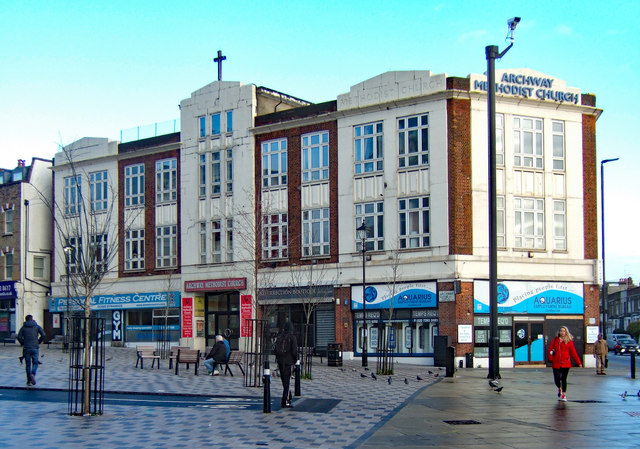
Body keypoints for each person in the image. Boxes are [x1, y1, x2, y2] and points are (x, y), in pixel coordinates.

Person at [548, 326, 582, 401]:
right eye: (561, 331)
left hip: (565, 363)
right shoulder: (555, 340)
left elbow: (573, 353)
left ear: (566, 332)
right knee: (557, 379)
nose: (562, 332)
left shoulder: (569, 341)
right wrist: (551, 358)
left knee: (563, 379)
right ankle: (559, 388)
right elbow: (550, 350)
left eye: (564, 331)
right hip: (556, 362)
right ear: (559, 332)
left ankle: (564, 394)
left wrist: (579, 362)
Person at [17, 315, 46, 386]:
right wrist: (38, 341)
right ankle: (33, 374)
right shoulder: (37, 326)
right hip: (35, 347)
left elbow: (19, 337)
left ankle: (29, 381)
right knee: (35, 362)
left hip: (26, 348)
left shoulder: (23, 328)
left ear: (26, 320)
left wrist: (23, 343)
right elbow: (43, 335)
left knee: (28, 364)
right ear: (32, 319)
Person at [274, 322, 298, 408]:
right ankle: (285, 400)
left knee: (284, 381)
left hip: (280, 362)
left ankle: (288, 396)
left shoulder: (279, 337)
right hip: (289, 362)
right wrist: (296, 360)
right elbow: (294, 351)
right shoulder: (292, 338)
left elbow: (275, 350)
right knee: (287, 382)